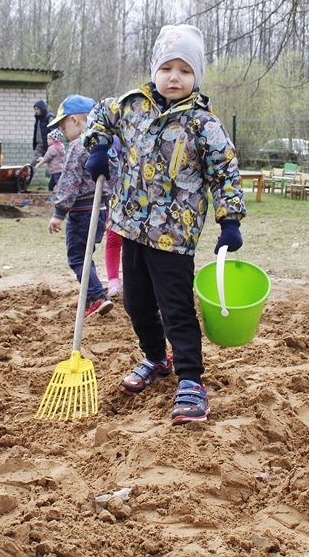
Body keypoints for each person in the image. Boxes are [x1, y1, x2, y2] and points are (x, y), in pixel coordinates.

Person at [83, 24, 246, 425]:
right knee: (137, 304)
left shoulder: (203, 123)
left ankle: (191, 379)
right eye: (168, 67)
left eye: (185, 70)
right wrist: (98, 146)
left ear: (196, 78)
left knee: (175, 307)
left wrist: (230, 220)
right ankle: (156, 358)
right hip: (130, 225)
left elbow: (225, 172)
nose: (175, 77)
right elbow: (99, 114)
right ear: (155, 69)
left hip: (174, 233)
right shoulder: (130, 105)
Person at [47, 94, 113, 319]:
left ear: (74, 120)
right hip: (101, 209)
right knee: (86, 255)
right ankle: (89, 293)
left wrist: (59, 212)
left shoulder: (78, 144)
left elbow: (69, 180)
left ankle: (97, 296)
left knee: (77, 257)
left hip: (83, 211)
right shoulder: (106, 142)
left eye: (64, 126)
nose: (64, 133)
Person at [104, 136, 123, 297]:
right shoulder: (112, 140)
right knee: (113, 238)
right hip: (115, 197)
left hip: (143, 197)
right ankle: (113, 282)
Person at [30, 99, 54, 186]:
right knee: (33, 163)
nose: (36, 111)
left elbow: (55, 132)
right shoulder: (38, 119)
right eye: (35, 109)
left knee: (54, 166)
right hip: (40, 145)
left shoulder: (49, 118)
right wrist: (34, 146)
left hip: (49, 145)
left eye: (37, 109)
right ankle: (26, 182)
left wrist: (54, 145)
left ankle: (54, 184)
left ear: (42, 109)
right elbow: (35, 133)